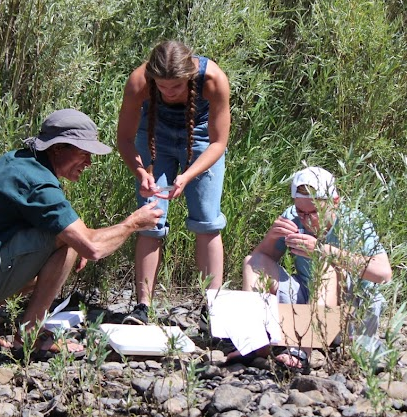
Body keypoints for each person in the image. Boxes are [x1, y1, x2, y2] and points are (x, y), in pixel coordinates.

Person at [0, 108, 163, 356]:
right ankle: (30, 334)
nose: (89, 162)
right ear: (57, 149)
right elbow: (92, 248)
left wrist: (78, 238)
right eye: (84, 153)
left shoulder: (18, 161)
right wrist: (133, 224)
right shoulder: (37, 182)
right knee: (71, 242)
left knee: (69, 238)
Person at [116, 40, 230, 324]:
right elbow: (125, 139)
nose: (168, 92)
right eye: (162, 87)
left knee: (207, 220)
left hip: (202, 136)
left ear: (190, 76)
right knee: (150, 218)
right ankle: (143, 307)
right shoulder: (139, 82)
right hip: (154, 133)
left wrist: (187, 176)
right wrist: (141, 172)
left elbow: (219, 142)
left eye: (176, 87)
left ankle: (213, 308)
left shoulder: (213, 79)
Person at [241, 166, 392, 372]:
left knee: (326, 266)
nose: (306, 219)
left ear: (335, 203)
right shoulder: (292, 216)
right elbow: (262, 261)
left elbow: (383, 273)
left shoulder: (354, 222)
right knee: (253, 261)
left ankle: (302, 353)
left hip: (349, 316)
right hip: (308, 307)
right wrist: (271, 237)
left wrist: (324, 251)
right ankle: (253, 343)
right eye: (301, 212)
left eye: (313, 212)